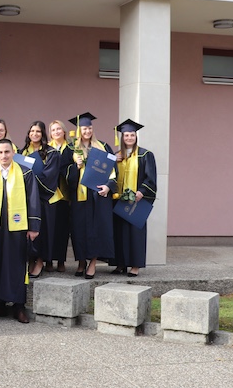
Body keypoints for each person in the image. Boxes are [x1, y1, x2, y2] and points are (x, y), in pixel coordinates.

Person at [0, 139, 41, 323]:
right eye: (0, 152)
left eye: (7, 152)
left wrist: (34, 226)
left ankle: (19, 306)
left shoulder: (25, 173)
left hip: (17, 228)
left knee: (17, 265)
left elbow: (33, 200)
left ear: (13, 152)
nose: (4, 156)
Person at [66, 112, 116, 279]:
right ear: (78, 130)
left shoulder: (103, 146)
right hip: (79, 196)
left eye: (89, 127)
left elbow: (113, 170)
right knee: (79, 230)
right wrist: (76, 167)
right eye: (84, 128)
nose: (87, 131)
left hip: (98, 196)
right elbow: (64, 173)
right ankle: (81, 261)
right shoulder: (72, 148)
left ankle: (93, 262)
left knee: (96, 230)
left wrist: (109, 187)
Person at [112, 119, 157, 277]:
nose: (129, 138)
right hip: (118, 199)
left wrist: (142, 191)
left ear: (136, 136)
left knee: (135, 233)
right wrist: (112, 161)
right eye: (126, 135)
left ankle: (135, 266)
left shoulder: (145, 155)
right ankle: (121, 264)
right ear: (122, 138)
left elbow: (150, 178)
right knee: (119, 232)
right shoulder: (117, 156)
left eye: (132, 135)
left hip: (136, 199)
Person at [22, 121, 62, 278]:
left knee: (43, 230)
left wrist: (33, 183)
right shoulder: (23, 152)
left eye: (38, 131)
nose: (34, 134)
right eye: (32, 131)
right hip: (27, 197)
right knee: (28, 229)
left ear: (43, 134)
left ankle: (40, 260)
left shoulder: (51, 153)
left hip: (45, 197)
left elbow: (49, 176)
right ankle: (30, 258)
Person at [47, 119, 74, 273]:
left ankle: (61, 260)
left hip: (64, 195)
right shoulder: (47, 148)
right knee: (49, 230)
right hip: (49, 195)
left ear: (63, 131)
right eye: (53, 130)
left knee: (63, 230)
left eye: (58, 129)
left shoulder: (70, 149)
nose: (56, 132)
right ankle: (49, 260)